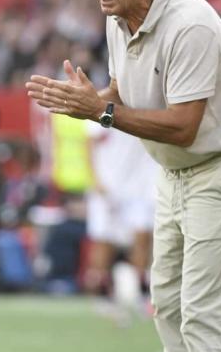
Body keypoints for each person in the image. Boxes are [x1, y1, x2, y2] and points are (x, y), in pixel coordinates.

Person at [26, 0, 221, 352]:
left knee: (203, 315)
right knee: (168, 305)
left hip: (219, 170)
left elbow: (184, 125)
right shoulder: (118, 20)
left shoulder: (188, 23)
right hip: (173, 173)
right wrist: (90, 101)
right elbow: (120, 90)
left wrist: (102, 112)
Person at [84, 123, 158, 316]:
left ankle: (142, 292)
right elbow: (89, 144)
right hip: (108, 185)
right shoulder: (103, 103)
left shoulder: (145, 103)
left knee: (143, 236)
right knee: (104, 241)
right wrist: (95, 179)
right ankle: (103, 292)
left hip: (140, 186)